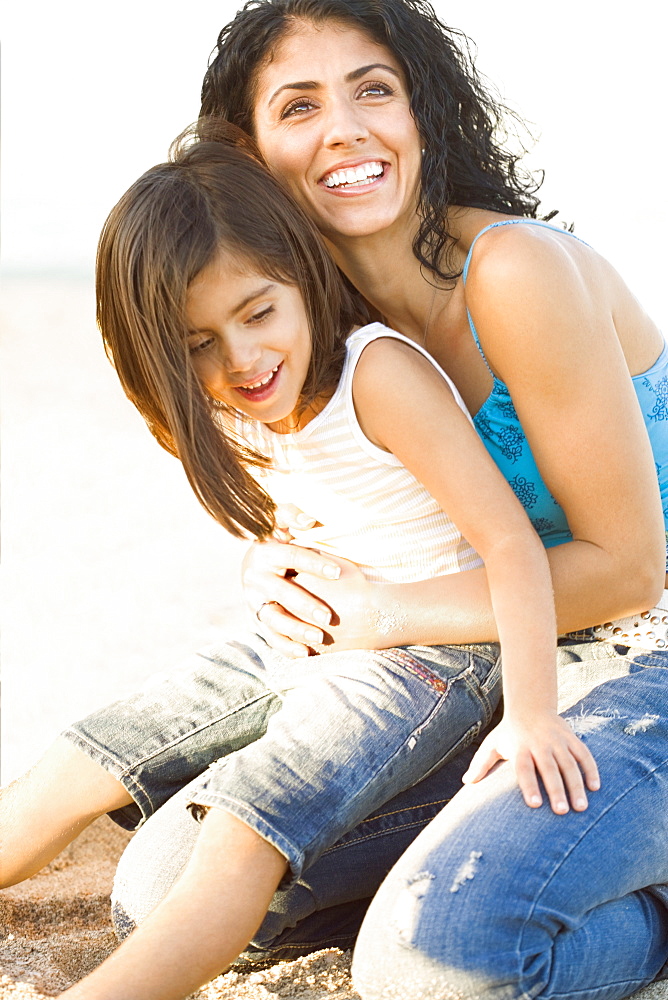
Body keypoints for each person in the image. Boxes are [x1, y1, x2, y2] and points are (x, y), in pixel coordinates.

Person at [0, 121, 602, 1000]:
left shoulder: (377, 376)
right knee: (83, 758)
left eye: (258, 314)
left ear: (302, 277)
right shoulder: (229, 400)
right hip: (305, 643)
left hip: (432, 662)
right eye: (198, 342)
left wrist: (535, 714)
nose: (242, 358)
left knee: (247, 821)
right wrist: (266, 566)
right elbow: (295, 513)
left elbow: (510, 542)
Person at [188, 0, 668, 997]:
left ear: (423, 113)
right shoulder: (312, 316)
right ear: (249, 152)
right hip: (509, 663)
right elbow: (332, 505)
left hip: (646, 650)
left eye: (373, 90)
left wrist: (378, 612)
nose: (346, 129)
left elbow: (629, 568)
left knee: (434, 963)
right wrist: (266, 562)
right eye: (299, 105)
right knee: (175, 893)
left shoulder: (511, 270)